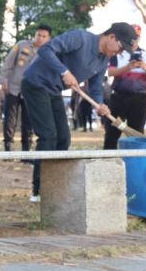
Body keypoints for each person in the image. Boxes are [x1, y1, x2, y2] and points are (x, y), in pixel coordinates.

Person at [21, 23, 137, 203]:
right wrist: (64, 71)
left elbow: (96, 87)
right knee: (48, 135)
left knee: (63, 138)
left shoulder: (103, 60)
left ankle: (54, 184)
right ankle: (39, 190)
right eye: (121, 47)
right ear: (112, 37)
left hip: (53, 90)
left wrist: (100, 104)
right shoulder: (80, 38)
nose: (120, 53)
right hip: (35, 83)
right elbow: (46, 50)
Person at [103, 25, 146, 149]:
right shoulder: (117, 53)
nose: (134, 40)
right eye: (132, 37)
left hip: (139, 98)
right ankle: (108, 160)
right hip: (119, 97)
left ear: (139, 38)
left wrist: (145, 68)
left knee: (137, 132)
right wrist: (127, 67)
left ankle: (136, 161)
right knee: (112, 131)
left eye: (137, 36)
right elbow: (110, 72)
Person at [0, 25, 51, 151]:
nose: (40, 38)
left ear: (49, 38)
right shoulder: (22, 45)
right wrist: (3, 79)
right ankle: (8, 147)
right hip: (13, 87)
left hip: (33, 90)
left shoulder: (49, 52)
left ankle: (26, 150)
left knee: (29, 121)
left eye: (44, 36)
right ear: (35, 34)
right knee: (10, 119)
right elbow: (8, 62)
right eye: (38, 35)